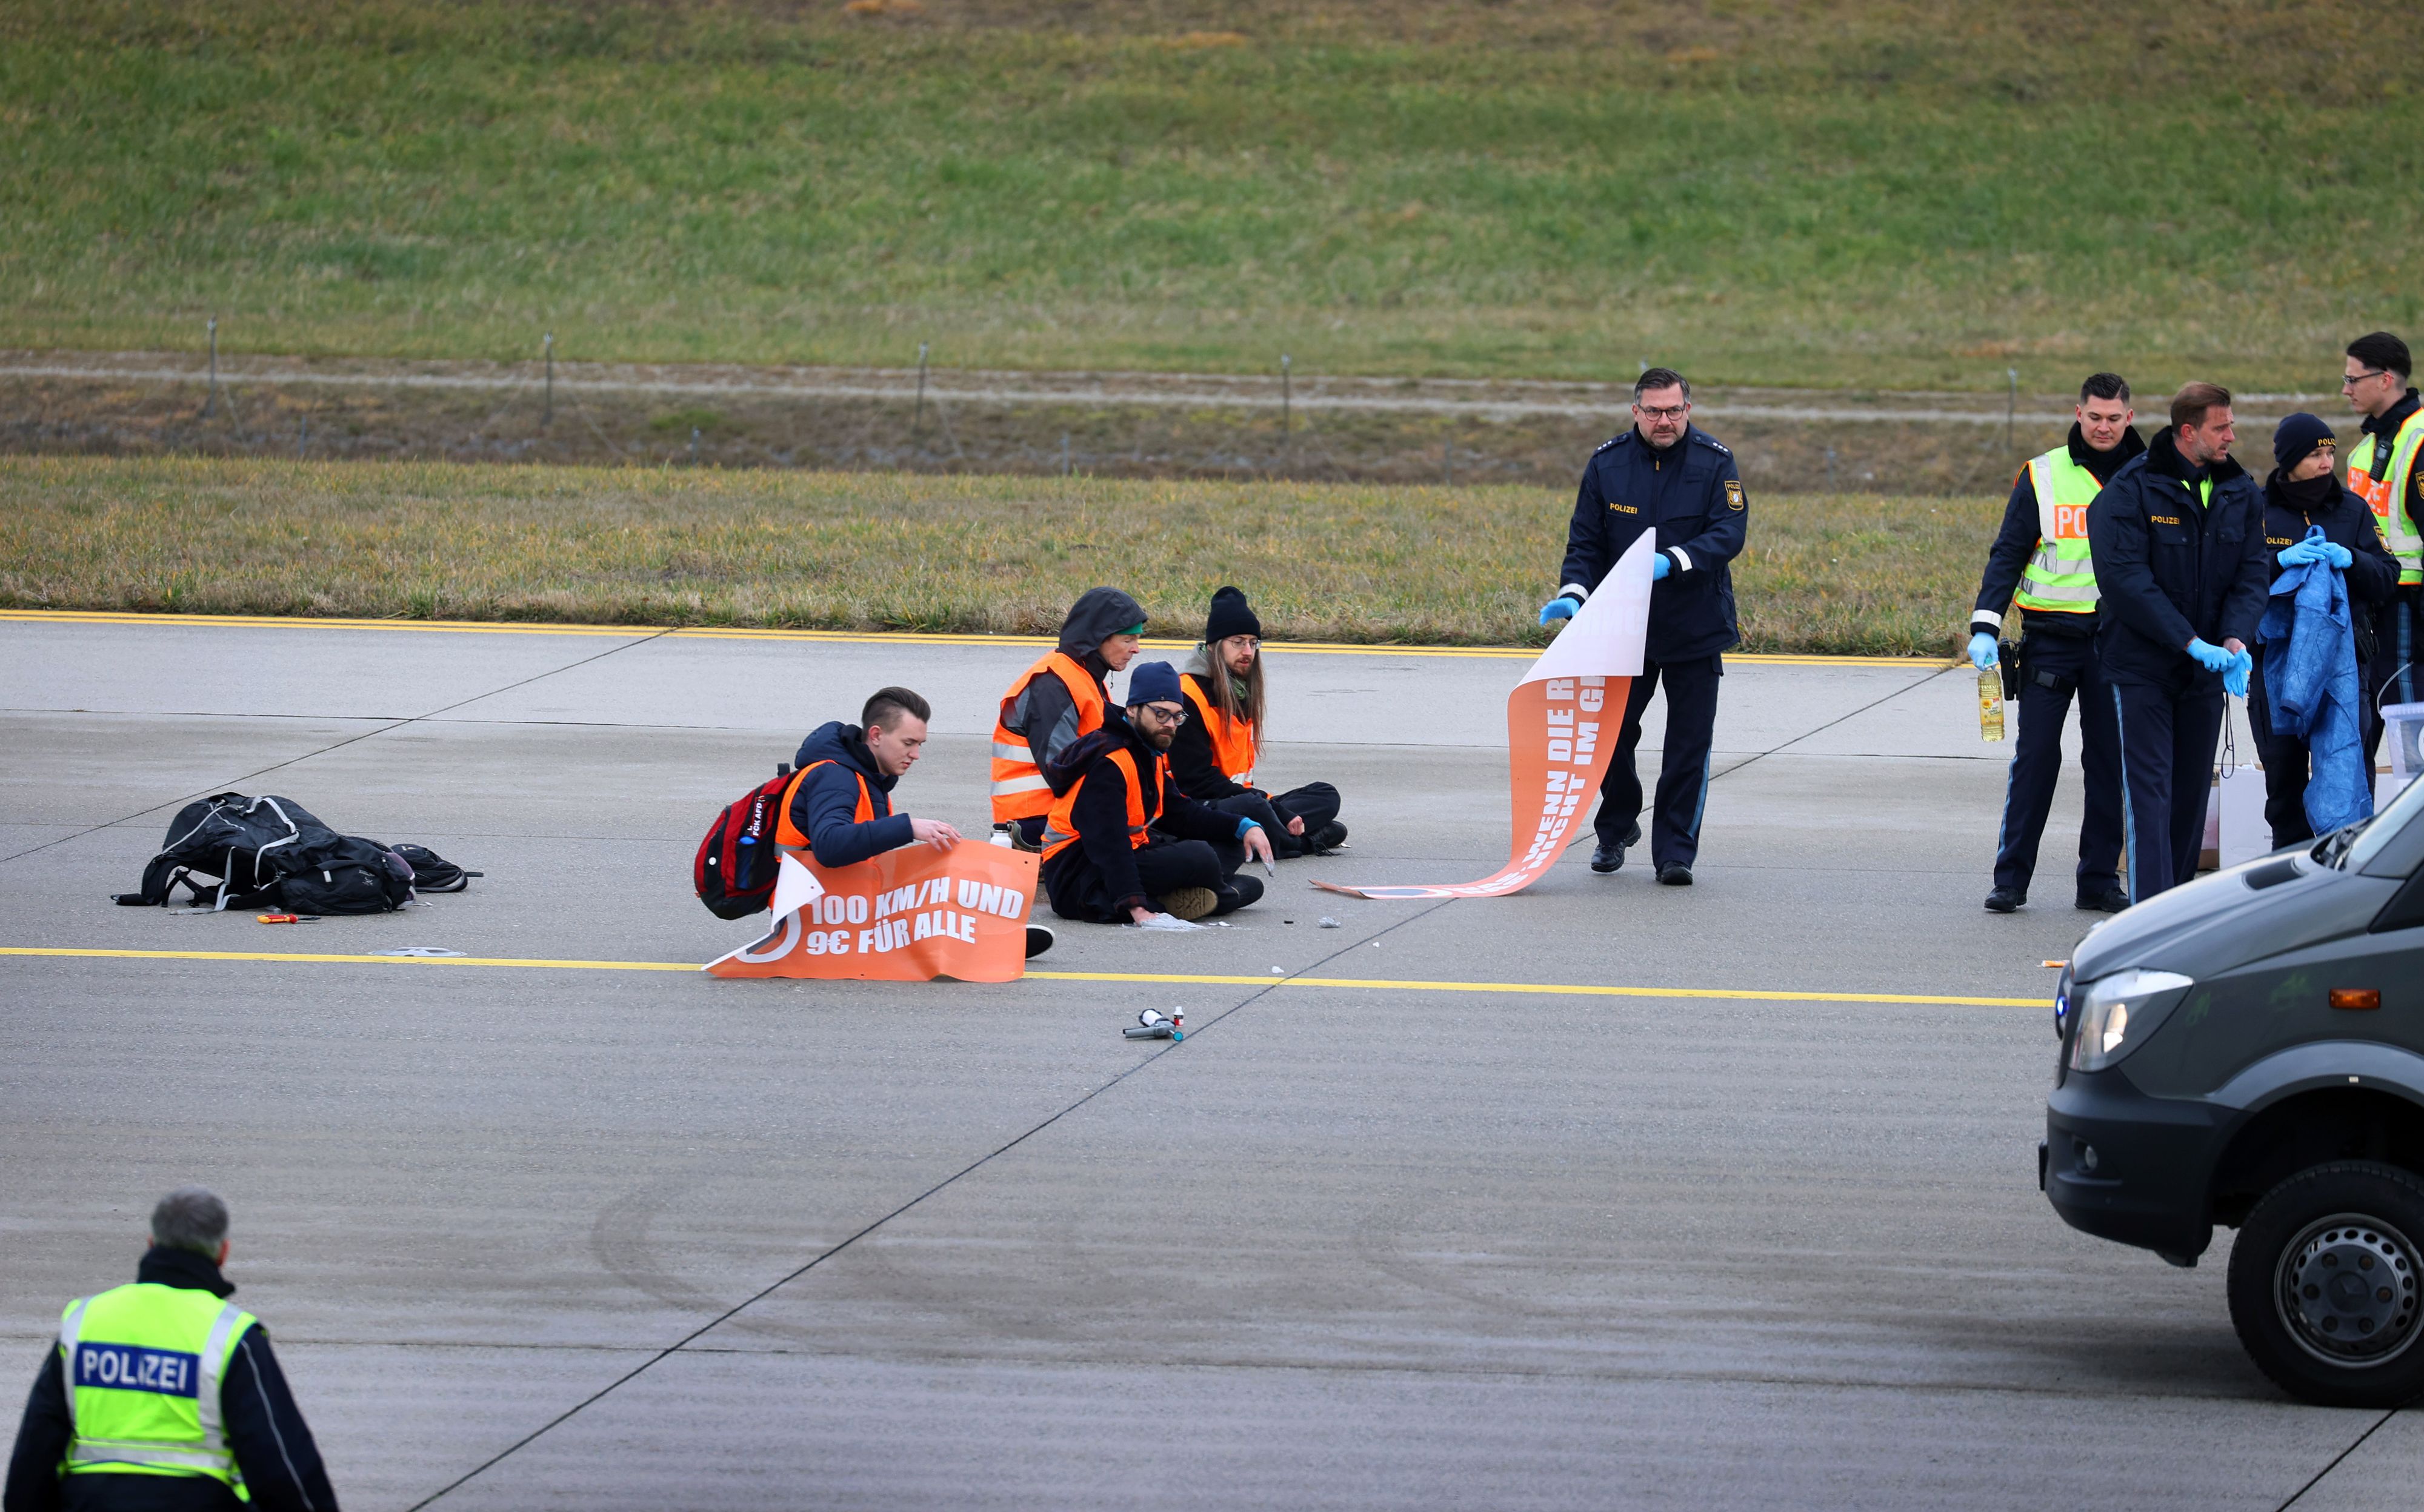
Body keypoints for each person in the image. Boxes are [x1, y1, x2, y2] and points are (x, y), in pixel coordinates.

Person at [5, 1188, 339, 1512]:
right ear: (223, 1252)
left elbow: (37, 1449)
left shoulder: (86, 1322)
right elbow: (279, 1461)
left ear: (152, 1244)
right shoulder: (229, 1335)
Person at [1540, 366, 1746, 887]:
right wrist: (1573, 594)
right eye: (1653, 411)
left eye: (1673, 410)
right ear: (1636, 412)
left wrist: (1674, 559)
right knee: (1609, 739)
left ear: (1688, 411)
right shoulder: (1607, 465)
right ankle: (1615, 829)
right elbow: (1585, 543)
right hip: (1621, 628)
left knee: (1687, 746)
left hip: (1695, 627)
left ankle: (1675, 852)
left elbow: (1729, 533)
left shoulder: (1716, 463)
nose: (1664, 420)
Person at [2086, 382, 2272, 902]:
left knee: (2191, 798)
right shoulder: (2131, 489)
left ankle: (2177, 910)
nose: (2232, 435)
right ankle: (2146, 918)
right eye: (2222, 427)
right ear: (2189, 432)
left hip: (2206, 672)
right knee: (2150, 796)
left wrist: (2235, 637)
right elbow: (2125, 580)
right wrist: (2189, 641)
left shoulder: (2239, 489)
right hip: (2142, 667)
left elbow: (2253, 571)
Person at [1969, 373, 2143, 915]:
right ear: (2078, 413)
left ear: (2129, 418)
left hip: (2118, 643)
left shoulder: (2148, 477)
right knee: (2036, 758)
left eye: (2114, 418)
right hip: (2050, 641)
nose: (2104, 427)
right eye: (2094, 417)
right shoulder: (2042, 475)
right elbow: (2008, 553)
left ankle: (2097, 881)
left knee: (2109, 764)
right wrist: (1984, 624)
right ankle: (2011, 879)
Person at [2249, 413, 2400, 848]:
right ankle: (2289, 882)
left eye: (2330, 452)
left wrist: (2353, 559)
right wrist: (2279, 563)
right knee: (2284, 784)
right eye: (2316, 453)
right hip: (2275, 667)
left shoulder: (2352, 509)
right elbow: (2236, 581)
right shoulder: (2257, 511)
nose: (2325, 461)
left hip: (2346, 667)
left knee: (2351, 776)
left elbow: (2387, 576)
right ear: (2290, 460)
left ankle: (2350, 877)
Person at [1039, 661, 1274, 924]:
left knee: (1234, 853)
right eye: (1161, 714)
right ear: (1132, 709)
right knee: (1201, 857)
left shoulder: (1146, 751)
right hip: (1076, 874)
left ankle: (1188, 896)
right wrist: (1136, 907)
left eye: (1177, 716)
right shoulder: (1109, 762)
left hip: (1128, 855)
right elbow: (1108, 842)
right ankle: (1158, 900)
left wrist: (1243, 826)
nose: (1170, 724)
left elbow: (1181, 813)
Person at [1171, 585, 1346, 858]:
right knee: (1259, 810)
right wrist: (1273, 808)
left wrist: (1270, 805)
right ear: (1215, 646)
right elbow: (1197, 782)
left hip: (1239, 798)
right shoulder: (1187, 695)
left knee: (1326, 795)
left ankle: (1274, 835)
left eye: (1253, 643)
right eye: (1238, 642)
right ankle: (1300, 843)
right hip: (1200, 805)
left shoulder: (1239, 690)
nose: (1248, 651)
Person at [990, 588, 1146, 848]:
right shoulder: (1052, 685)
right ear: (1099, 639)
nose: (1136, 649)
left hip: (1056, 813)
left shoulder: (1085, 677)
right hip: (1036, 822)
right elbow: (1062, 772)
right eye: (1128, 640)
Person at [2340, 332, 2424, 762]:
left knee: (2411, 730)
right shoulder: (2364, 450)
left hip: (2410, 604)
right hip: (2377, 604)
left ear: (2386, 378)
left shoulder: (2419, 438)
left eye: (2353, 379)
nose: (2346, 388)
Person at [784, 685, 960, 866]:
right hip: (796, 893)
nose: (916, 754)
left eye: (919, 745)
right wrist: (908, 827)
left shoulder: (871, 778)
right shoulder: (836, 776)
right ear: (876, 735)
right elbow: (829, 845)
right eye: (908, 743)